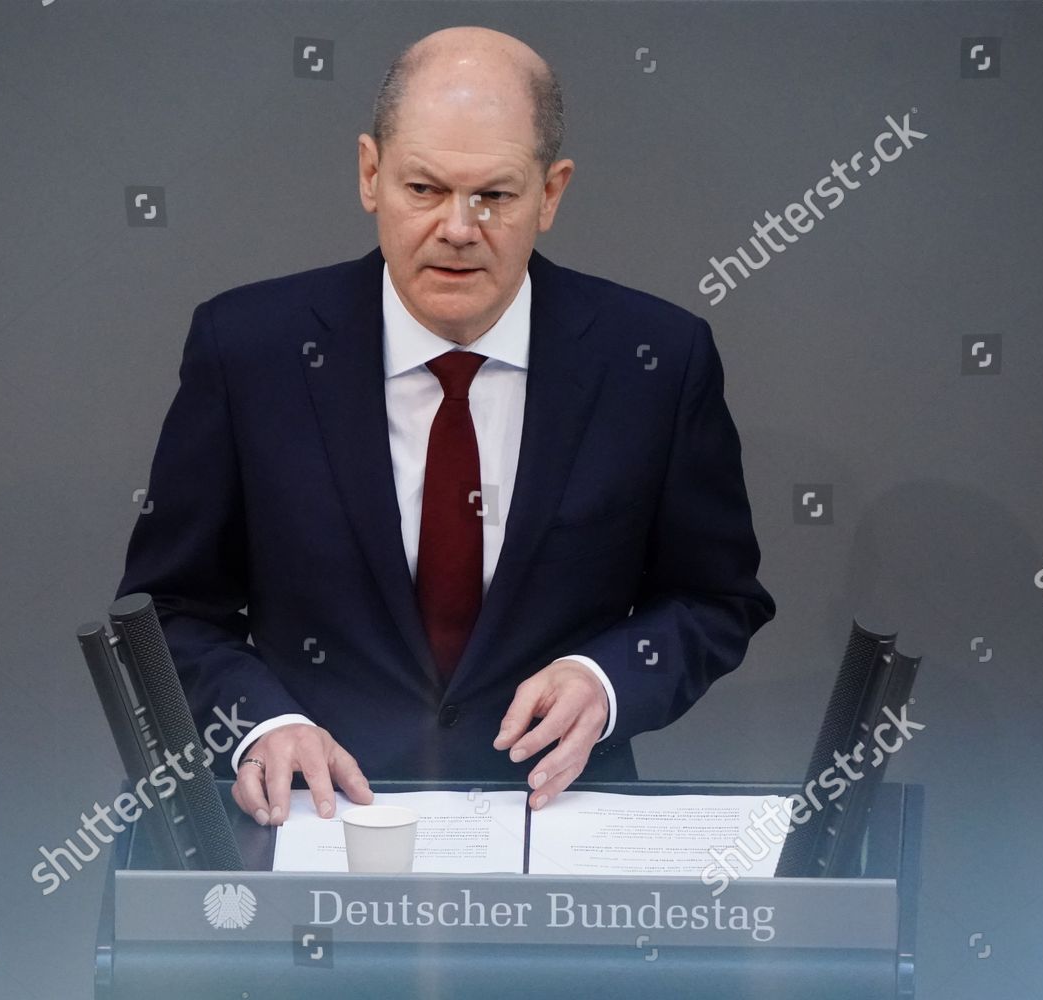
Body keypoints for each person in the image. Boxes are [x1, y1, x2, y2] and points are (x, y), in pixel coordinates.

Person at [114, 26, 775, 829]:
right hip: (316, 829)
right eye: (423, 189)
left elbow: (716, 598)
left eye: (493, 195)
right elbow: (165, 611)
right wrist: (263, 724)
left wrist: (606, 682)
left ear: (552, 192)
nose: (458, 228)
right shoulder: (249, 350)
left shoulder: (657, 362)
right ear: (370, 174)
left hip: (557, 835)